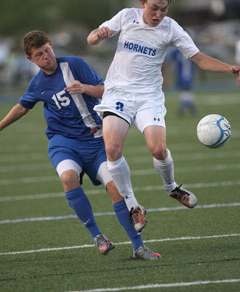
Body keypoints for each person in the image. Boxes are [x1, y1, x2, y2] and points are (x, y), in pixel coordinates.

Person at [0, 30, 161, 261]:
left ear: (52, 46)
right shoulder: (37, 84)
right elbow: (22, 106)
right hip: (63, 143)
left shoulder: (74, 64)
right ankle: (98, 236)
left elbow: (107, 90)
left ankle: (139, 247)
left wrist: (85, 88)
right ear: (30, 59)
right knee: (68, 178)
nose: (46, 56)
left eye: (47, 50)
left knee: (116, 189)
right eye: (39, 54)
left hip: (96, 141)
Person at [87, 0, 240, 210]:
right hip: (118, 93)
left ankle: (171, 187)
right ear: (142, 4)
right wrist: (98, 35)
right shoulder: (126, 16)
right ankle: (132, 205)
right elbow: (91, 39)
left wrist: (231, 68)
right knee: (112, 148)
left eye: (164, 9)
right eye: (154, 8)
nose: (159, 14)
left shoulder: (171, 28)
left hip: (149, 96)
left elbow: (199, 58)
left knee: (158, 149)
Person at [164, 47, 197, 116]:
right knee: (185, 90)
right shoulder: (191, 49)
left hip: (182, 73)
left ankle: (184, 107)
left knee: (185, 90)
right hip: (188, 73)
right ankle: (190, 107)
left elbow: (168, 60)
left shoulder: (177, 51)